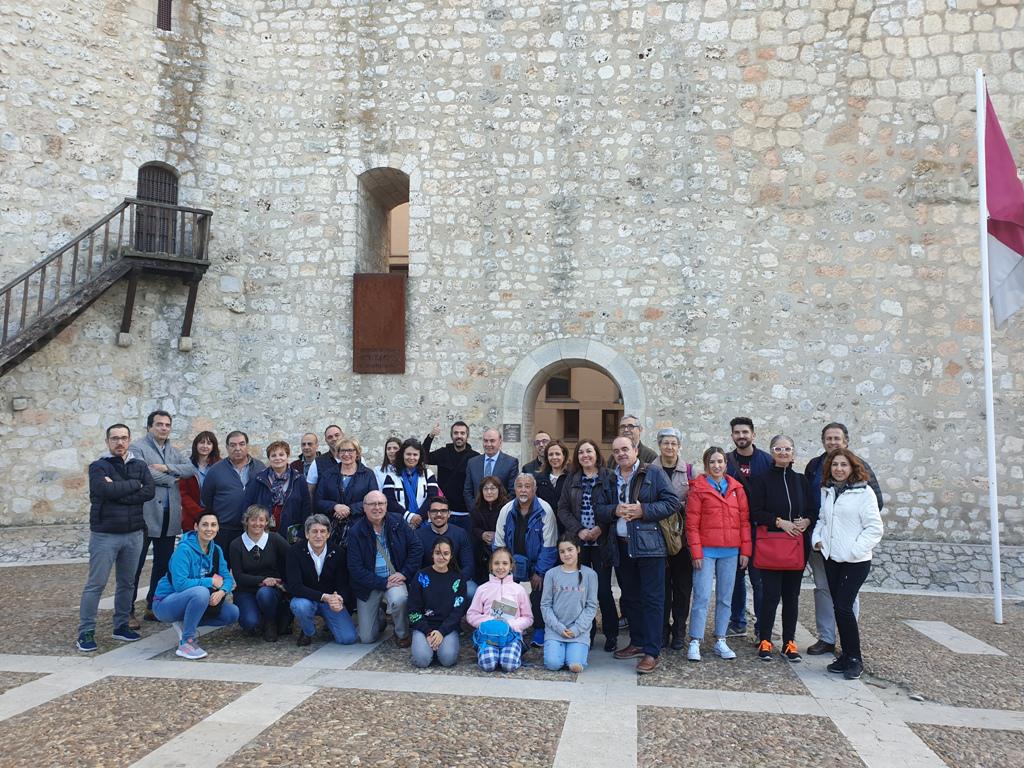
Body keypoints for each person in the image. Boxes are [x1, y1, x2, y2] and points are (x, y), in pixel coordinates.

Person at [594, 436, 678, 674]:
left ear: (636, 450)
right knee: (630, 598)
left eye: (625, 449)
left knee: (652, 599)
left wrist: (644, 510)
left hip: (650, 547)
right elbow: (599, 509)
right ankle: (637, 641)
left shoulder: (653, 473)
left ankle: (652, 651)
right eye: (616, 450)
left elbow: (672, 503)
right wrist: (614, 510)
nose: (621, 453)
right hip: (621, 546)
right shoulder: (610, 477)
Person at [803, 422, 883, 656]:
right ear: (823, 441)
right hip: (822, 545)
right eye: (828, 438)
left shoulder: (860, 467)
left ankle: (849, 642)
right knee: (823, 589)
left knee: (847, 597)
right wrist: (817, 536)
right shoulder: (814, 466)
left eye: (836, 438)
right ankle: (826, 638)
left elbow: (876, 505)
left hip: (849, 548)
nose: (832, 442)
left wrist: (853, 544)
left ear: (846, 441)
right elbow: (813, 504)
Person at [76, 424, 155, 652]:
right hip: (105, 535)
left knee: (127, 583)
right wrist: (134, 485)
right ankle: (86, 631)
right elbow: (104, 491)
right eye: (114, 438)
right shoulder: (98, 467)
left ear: (129, 440)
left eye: (123, 438)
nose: (119, 442)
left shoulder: (139, 465)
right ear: (107, 441)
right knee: (96, 584)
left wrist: (118, 490)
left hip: (134, 534)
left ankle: (121, 625)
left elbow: (149, 492)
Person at [747, 435, 813, 663]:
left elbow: (813, 509)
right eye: (778, 449)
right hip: (772, 546)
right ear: (772, 452)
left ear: (793, 453)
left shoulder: (801, 481)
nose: (783, 453)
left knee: (791, 596)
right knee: (771, 595)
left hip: (796, 547)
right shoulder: (761, 480)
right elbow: (755, 511)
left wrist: (807, 521)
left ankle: (789, 642)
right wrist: (779, 522)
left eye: (787, 449)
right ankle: (765, 639)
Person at [684, 446, 751, 663]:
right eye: (712, 462)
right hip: (706, 551)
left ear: (726, 464)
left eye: (720, 461)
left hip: (730, 551)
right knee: (702, 596)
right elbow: (692, 524)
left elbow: (744, 521)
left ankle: (721, 638)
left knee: (725, 597)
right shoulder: (698, 489)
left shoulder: (736, 489)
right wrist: (696, 552)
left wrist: (745, 550)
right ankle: (695, 639)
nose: (716, 465)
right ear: (706, 465)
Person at [131, 410, 195, 627]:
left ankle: (153, 605)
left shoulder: (173, 451)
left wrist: (167, 468)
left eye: (167, 425)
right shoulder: (137, 448)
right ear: (150, 427)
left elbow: (190, 469)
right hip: (146, 516)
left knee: (162, 564)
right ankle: (127, 611)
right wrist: (171, 479)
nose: (164, 428)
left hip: (169, 517)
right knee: (135, 565)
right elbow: (144, 473)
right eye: (159, 424)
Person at [556, 439, 619, 651]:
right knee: (580, 590)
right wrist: (579, 530)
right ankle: (586, 633)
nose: (585, 455)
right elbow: (563, 509)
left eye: (589, 451)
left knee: (603, 590)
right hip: (578, 543)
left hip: (602, 541)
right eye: (581, 452)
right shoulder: (572, 479)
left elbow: (615, 506)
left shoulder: (609, 476)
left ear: (596, 454)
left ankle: (611, 633)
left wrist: (601, 527)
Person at [152, 511, 239, 660]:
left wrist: (222, 592)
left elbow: (228, 579)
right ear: (196, 527)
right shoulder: (183, 550)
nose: (209, 529)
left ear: (218, 528)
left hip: (195, 599)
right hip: (165, 603)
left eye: (213, 525)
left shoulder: (216, 550)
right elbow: (180, 585)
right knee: (201, 592)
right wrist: (210, 582)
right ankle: (186, 642)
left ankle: (185, 622)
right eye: (204, 525)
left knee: (232, 613)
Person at [347, 490, 423, 646]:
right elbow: (355, 568)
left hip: (394, 578)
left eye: (380, 503)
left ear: (386, 505)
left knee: (400, 599)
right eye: (372, 504)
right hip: (369, 584)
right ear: (364, 507)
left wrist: (404, 573)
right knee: (367, 638)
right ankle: (380, 614)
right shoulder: (356, 531)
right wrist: (382, 583)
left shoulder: (398, 522)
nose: (377, 507)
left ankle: (402, 634)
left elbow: (417, 547)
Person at [493, 473, 558, 648]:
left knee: (539, 590)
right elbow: (499, 543)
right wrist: (503, 568)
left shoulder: (545, 510)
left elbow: (549, 546)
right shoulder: (506, 510)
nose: (523, 490)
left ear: (534, 489)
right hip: (512, 562)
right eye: (520, 486)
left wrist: (540, 572)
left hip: (537, 562)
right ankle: (508, 627)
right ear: (514, 489)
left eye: (527, 486)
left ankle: (539, 628)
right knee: (504, 589)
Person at [725, 416, 772, 639]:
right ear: (732, 436)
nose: (741, 436)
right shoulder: (725, 461)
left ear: (753, 434)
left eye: (745, 432)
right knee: (735, 578)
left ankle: (762, 627)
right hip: (733, 529)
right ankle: (737, 621)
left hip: (760, 529)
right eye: (737, 432)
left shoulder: (767, 461)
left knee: (759, 580)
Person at [285, 513, 358, 646]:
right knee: (300, 606)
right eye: (314, 531)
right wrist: (324, 597)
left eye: (322, 531)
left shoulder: (338, 552)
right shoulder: (294, 552)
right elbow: (295, 586)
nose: (318, 535)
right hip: (306, 599)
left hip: (330, 602)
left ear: (328, 534)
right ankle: (307, 631)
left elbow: (343, 584)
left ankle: (330, 624)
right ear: (307, 534)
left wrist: (339, 599)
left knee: (348, 639)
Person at [651, 427, 693, 651]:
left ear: (679, 446)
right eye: (665, 443)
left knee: (683, 588)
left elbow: (695, 501)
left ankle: (679, 630)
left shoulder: (689, 471)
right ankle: (661, 630)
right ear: (659, 445)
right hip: (657, 537)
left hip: (682, 538)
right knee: (661, 587)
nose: (669, 447)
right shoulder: (649, 470)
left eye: (673, 443)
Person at [228, 504, 290, 642]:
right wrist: (263, 579)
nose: (257, 523)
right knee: (251, 623)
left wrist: (285, 581)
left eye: (261, 520)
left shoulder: (274, 539)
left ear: (267, 522)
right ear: (246, 521)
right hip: (246, 590)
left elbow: (292, 557)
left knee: (265, 593)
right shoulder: (236, 544)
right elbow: (238, 576)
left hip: (271, 589)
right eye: (253, 519)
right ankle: (261, 618)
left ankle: (270, 622)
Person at [466, 547, 533, 672]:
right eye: (496, 563)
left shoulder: (519, 590)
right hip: (488, 636)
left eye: (505, 563)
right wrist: (488, 621)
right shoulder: (482, 589)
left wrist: (512, 624)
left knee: (508, 664)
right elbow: (471, 615)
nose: (500, 567)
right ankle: (487, 652)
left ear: (511, 566)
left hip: (511, 636)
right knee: (488, 665)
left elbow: (528, 617)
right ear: (491, 566)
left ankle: (514, 653)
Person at [407, 536, 469, 668]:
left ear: (451, 556)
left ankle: (437, 649)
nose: (441, 557)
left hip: (447, 628)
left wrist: (442, 632)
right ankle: (427, 649)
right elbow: (413, 609)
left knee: (448, 659)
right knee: (422, 661)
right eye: (437, 553)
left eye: (445, 553)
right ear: (432, 554)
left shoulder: (458, 579)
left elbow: (458, 611)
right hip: (424, 627)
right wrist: (428, 632)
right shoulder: (421, 576)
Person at [314, 436, 378, 560]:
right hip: (332, 530)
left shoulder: (368, 474)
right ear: (338, 453)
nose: (346, 454)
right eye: (342, 451)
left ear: (357, 453)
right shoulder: (328, 474)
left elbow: (373, 500)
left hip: (359, 528)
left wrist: (350, 509)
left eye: (350, 450)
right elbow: (318, 501)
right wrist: (335, 506)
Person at [541, 534, 598, 673]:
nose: (566, 554)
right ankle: (558, 653)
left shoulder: (590, 575)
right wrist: (559, 627)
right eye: (562, 551)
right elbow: (545, 605)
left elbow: (591, 606)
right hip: (555, 630)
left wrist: (577, 629)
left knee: (575, 664)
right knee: (553, 664)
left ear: (578, 549)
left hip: (578, 632)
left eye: (570, 549)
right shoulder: (551, 574)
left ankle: (574, 655)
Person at [201, 430, 265, 552]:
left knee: (250, 563)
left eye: (241, 444)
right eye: (233, 445)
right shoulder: (215, 470)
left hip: (253, 529)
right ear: (227, 447)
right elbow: (206, 499)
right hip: (224, 530)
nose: (237, 448)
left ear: (247, 446)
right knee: (221, 562)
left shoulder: (259, 468)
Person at [245, 440, 312, 542]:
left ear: (287, 456)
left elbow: (306, 507)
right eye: (273, 455)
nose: (278, 458)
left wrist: (302, 532)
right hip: (263, 530)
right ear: (269, 458)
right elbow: (248, 504)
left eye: (281, 454)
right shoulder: (259, 479)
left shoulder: (299, 479)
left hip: (291, 531)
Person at [422, 420, 480, 534]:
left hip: (466, 514)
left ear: (467, 436)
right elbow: (423, 457)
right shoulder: (443, 453)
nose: (459, 436)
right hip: (444, 512)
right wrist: (430, 436)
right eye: (456, 433)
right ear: (451, 435)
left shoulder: (475, 457)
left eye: (462, 433)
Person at [416, 497, 477, 599]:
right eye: (434, 511)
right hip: (429, 580)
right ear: (428, 514)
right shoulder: (418, 535)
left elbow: (469, 565)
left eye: (443, 511)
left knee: (472, 591)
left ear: (449, 514)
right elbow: (416, 566)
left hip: (456, 579)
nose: (439, 514)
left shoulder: (460, 533)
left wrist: (454, 581)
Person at [381, 437, 440, 528]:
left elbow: (433, 498)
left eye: (415, 455)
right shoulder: (391, 475)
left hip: (424, 524)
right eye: (408, 454)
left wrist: (419, 517)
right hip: (399, 524)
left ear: (420, 456)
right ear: (402, 455)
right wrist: (409, 517)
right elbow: (389, 501)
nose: (412, 458)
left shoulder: (428, 474)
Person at [463, 428, 519, 511]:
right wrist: (474, 510)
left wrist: (502, 511)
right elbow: (467, 490)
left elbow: (513, 491)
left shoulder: (510, 463)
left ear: (500, 442)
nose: (488, 444)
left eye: (492, 441)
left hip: (501, 513)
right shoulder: (472, 463)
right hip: (477, 513)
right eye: (485, 441)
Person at [471, 476, 509, 583]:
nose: (489, 492)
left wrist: (497, 535)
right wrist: (482, 534)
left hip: (502, 550)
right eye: (486, 489)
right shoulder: (476, 507)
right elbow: (473, 528)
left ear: (499, 490)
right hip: (482, 553)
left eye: (492, 488)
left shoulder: (507, 507)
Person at [179, 431, 219, 532]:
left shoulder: (220, 466)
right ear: (196, 445)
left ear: (213, 446)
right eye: (202, 442)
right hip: (192, 517)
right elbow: (183, 494)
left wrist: (211, 514)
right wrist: (199, 513)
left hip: (214, 517)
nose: (205, 446)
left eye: (209, 443)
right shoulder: (187, 466)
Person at [305, 424, 345, 492]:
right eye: (330, 437)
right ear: (326, 440)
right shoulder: (317, 463)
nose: (334, 439)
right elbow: (310, 491)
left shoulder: (358, 459)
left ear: (343, 436)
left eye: (337, 435)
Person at [534, 439, 571, 511]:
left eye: (557, 454)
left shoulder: (571, 478)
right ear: (547, 457)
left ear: (564, 456)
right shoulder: (539, 478)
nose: (554, 457)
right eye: (551, 454)